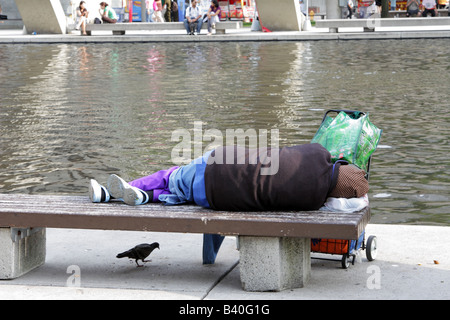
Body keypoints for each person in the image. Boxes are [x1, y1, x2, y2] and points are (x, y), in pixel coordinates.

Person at [89, 143, 370, 264]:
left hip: (221, 164)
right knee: (182, 190)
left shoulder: (318, 153)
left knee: (172, 175)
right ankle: (147, 196)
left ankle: (112, 193)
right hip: (219, 197)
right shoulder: (312, 202)